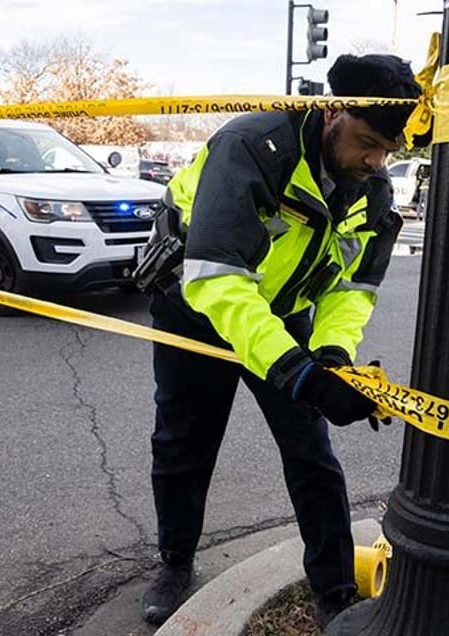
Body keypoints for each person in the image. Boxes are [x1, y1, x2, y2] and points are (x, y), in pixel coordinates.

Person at [133, 53, 429, 629]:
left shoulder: (370, 186)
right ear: (331, 112)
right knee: (182, 444)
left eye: (388, 151)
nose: (375, 160)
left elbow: (353, 286)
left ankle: (337, 591)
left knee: (312, 454)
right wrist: (298, 373)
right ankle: (174, 563)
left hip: (285, 317)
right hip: (197, 308)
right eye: (367, 141)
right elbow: (215, 278)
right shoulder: (252, 146)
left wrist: (332, 356)